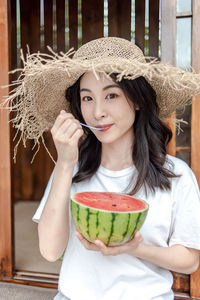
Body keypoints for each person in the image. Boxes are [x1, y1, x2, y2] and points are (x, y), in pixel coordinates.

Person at [7, 37, 200, 300]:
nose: (97, 112)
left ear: (137, 100)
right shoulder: (71, 168)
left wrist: (133, 248)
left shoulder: (176, 176)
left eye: (111, 95)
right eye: (87, 98)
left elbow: (189, 261)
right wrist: (64, 163)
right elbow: (50, 251)